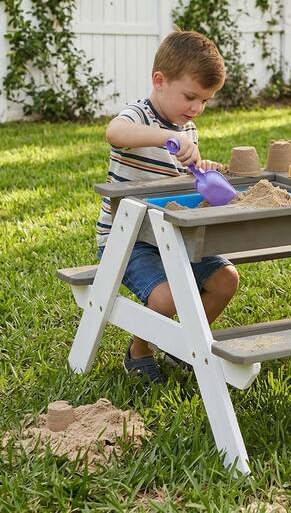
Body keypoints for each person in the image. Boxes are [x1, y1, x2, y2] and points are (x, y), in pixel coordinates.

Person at [97, 29, 240, 384]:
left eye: (204, 101)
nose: (196, 109)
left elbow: (180, 174)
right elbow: (115, 133)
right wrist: (168, 137)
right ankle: (139, 351)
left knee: (225, 280)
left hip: (171, 235)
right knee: (166, 298)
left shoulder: (186, 128)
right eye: (190, 97)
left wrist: (201, 169)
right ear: (159, 81)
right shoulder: (139, 116)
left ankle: (182, 346)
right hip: (129, 240)